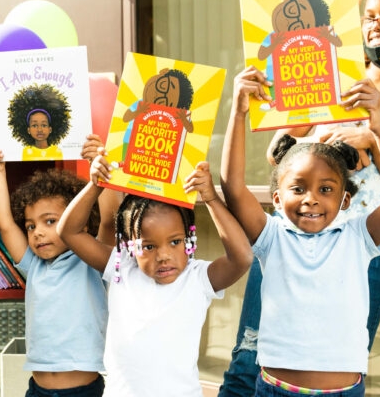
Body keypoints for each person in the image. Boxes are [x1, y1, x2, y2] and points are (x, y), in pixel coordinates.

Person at [219, 0, 380, 395]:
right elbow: (277, 154)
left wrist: (373, 141)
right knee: (247, 364)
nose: (379, 25)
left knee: (334, 372)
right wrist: (316, 143)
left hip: (363, 246)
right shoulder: (329, 74)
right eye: (371, 16)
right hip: (289, 240)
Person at [57, 151, 252, 396]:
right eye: (148, 246)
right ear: (129, 245)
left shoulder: (198, 278)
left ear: (189, 238)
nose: (163, 255)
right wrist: (95, 185)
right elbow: (69, 231)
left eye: (175, 242)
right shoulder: (122, 267)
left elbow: (242, 257)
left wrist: (211, 198)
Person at [0, 142, 108, 397]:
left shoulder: (92, 262)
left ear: (79, 221)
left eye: (50, 221)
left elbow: (108, 222)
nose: (38, 231)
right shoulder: (35, 266)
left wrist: (100, 172)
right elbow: (6, 224)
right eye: (30, 226)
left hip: (82, 392)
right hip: (37, 390)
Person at [7, 83, 70, 161]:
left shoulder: (57, 151)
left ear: (50, 129)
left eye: (44, 125)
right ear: (28, 130)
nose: (39, 130)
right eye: (34, 125)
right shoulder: (26, 151)